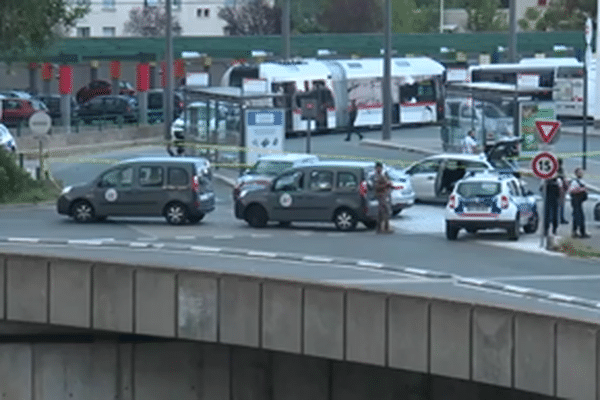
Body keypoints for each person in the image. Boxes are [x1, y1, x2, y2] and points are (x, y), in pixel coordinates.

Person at [568, 167, 590, 238]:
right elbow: (571, 191)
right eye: (580, 172)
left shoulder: (581, 181)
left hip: (579, 202)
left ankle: (576, 232)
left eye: (582, 172)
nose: (581, 173)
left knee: (577, 217)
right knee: (579, 217)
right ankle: (581, 232)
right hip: (576, 201)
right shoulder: (574, 182)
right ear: (576, 173)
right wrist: (582, 190)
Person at [374, 161, 393, 234]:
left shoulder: (383, 175)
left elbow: (387, 182)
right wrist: (386, 185)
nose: (379, 169)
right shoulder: (376, 176)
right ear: (376, 168)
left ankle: (383, 227)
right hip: (380, 195)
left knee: (384, 211)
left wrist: (389, 184)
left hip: (385, 195)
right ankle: (383, 228)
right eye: (378, 168)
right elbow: (376, 187)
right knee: (383, 211)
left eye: (380, 168)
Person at [557, 158, 569, 224]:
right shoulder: (561, 170)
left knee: (560, 205)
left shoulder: (558, 170)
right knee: (561, 205)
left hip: (560, 189)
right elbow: (564, 178)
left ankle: (560, 218)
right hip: (560, 189)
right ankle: (561, 218)